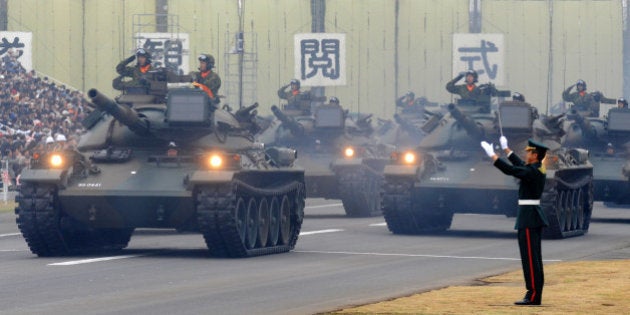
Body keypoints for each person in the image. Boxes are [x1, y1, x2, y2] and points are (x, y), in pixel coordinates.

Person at [480, 137, 549, 306]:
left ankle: (533, 295)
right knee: (534, 258)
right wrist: (506, 149)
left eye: (529, 152)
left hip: (528, 217)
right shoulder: (535, 168)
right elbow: (519, 165)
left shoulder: (532, 172)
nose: (526, 155)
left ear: (535, 155)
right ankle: (534, 293)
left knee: (530, 259)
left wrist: (493, 156)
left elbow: (511, 170)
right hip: (531, 215)